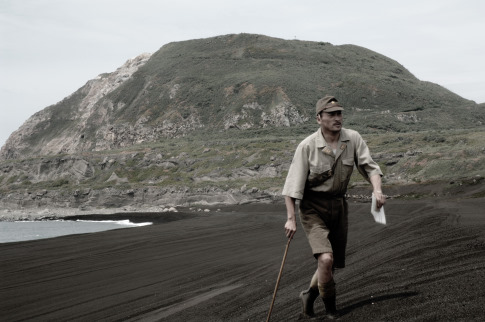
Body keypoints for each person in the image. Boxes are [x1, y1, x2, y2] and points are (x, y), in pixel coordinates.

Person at [282, 95, 386, 320]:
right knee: (326, 259)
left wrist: (377, 190)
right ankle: (331, 310)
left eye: (339, 113)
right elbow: (291, 188)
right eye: (331, 114)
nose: (337, 118)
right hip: (312, 208)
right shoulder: (307, 146)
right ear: (319, 118)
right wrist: (291, 218)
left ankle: (309, 294)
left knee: (331, 264)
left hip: (339, 206)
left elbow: (371, 168)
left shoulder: (353, 138)